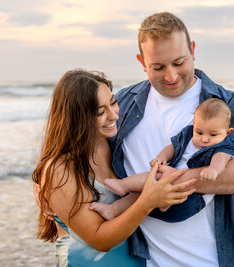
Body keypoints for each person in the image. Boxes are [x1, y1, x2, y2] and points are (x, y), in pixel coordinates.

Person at [108, 12, 234, 267]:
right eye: (158, 67)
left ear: (192, 50)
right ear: (142, 61)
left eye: (179, 62)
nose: (171, 76)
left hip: (214, 260)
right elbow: (82, 148)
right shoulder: (123, 103)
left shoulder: (228, 103)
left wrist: (164, 186)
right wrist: (48, 181)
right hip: (144, 260)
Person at [31, 69, 196, 267]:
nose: (114, 115)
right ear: (77, 118)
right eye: (100, 112)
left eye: (112, 102)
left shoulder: (116, 146)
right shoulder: (60, 169)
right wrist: (147, 201)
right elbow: (100, 240)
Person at [90, 98, 234, 219]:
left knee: (157, 177)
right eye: (199, 132)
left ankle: (124, 185)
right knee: (145, 191)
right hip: (168, 189)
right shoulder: (188, 133)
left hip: (188, 201)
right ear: (194, 124)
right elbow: (172, 147)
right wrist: (161, 157)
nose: (205, 139)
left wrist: (213, 170)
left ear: (228, 132)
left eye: (213, 135)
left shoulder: (225, 145)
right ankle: (114, 209)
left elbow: (221, 159)